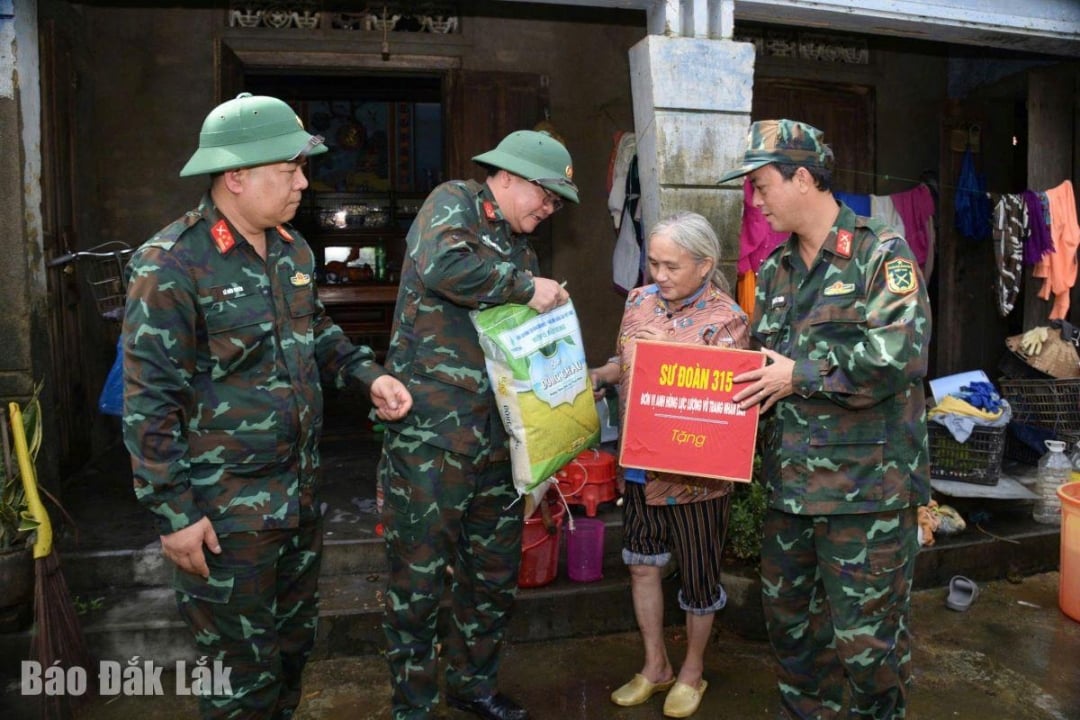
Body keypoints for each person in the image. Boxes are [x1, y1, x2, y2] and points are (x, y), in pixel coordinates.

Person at [122, 92, 413, 719]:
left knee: (289, 653)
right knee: (237, 680)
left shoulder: (292, 251)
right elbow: (148, 404)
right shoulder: (171, 264)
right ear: (236, 176)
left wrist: (369, 376)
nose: (303, 184)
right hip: (225, 518)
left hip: (300, 500)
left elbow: (319, 336)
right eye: (289, 171)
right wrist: (175, 515)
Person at [723, 119, 932, 719]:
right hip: (790, 493)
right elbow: (761, 368)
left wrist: (800, 375)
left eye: (761, 185)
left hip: (866, 495)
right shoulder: (773, 273)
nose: (754, 200)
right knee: (792, 637)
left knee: (867, 651)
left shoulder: (880, 255)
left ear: (805, 177)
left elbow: (900, 356)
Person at [378, 129, 578, 720]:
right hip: (432, 439)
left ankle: (473, 685)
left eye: (557, 203)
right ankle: (412, 705)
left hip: (498, 440)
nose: (550, 209)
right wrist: (526, 289)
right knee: (417, 581)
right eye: (546, 196)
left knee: (491, 577)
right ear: (510, 176)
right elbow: (444, 266)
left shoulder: (523, 249)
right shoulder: (454, 202)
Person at [589, 211, 750, 719]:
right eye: (654, 263)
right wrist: (603, 372)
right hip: (639, 463)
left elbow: (729, 397)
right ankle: (655, 665)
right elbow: (623, 361)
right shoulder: (638, 303)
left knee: (699, 581)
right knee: (640, 566)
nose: (657, 274)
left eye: (670, 266)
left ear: (704, 265)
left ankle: (692, 671)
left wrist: (671, 354)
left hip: (694, 478)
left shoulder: (728, 319)